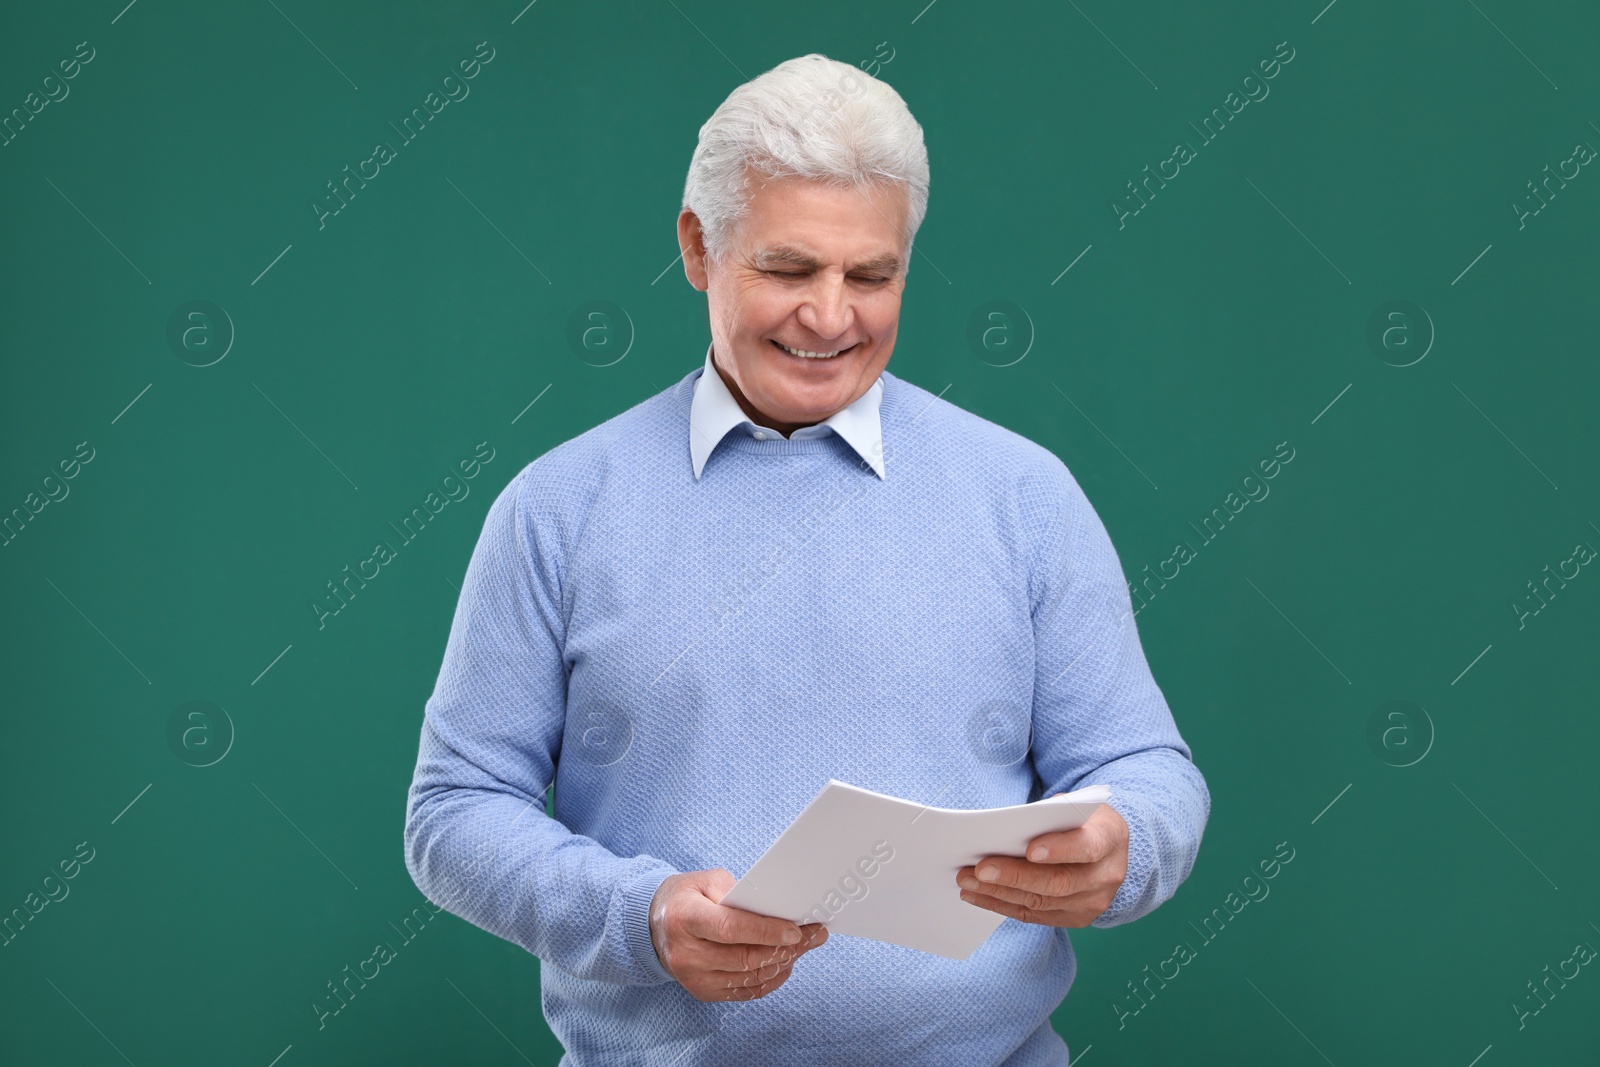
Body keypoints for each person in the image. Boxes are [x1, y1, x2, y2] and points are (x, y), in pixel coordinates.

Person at [404, 52, 1209, 1066]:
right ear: (698, 248)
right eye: (787, 269)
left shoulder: (1023, 495)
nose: (830, 317)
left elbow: (1143, 767)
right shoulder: (558, 509)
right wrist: (636, 911)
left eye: (870, 276)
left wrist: (1125, 842)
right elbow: (454, 810)